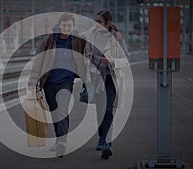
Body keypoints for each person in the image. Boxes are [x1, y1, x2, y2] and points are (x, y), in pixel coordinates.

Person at [28, 13, 86, 157]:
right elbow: (38, 62)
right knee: (54, 112)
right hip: (48, 82)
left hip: (66, 81)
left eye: (69, 26)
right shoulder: (49, 40)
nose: (66, 28)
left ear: (73, 27)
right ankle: (58, 139)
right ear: (60, 25)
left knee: (62, 109)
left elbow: (92, 51)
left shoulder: (78, 40)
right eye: (64, 25)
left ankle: (62, 141)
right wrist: (32, 83)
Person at [82, 10, 129, 159]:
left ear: (108, 24)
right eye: (95, 20)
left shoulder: (116, 38)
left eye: (100, 21)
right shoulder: (90, 34)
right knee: (100, 110)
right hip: (95, 78)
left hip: (111, 77)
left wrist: (112, 61)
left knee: (108, 109)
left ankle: (105, 142)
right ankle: (102, 137)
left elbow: (126, 59)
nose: (96, 24)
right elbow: (74, 37)